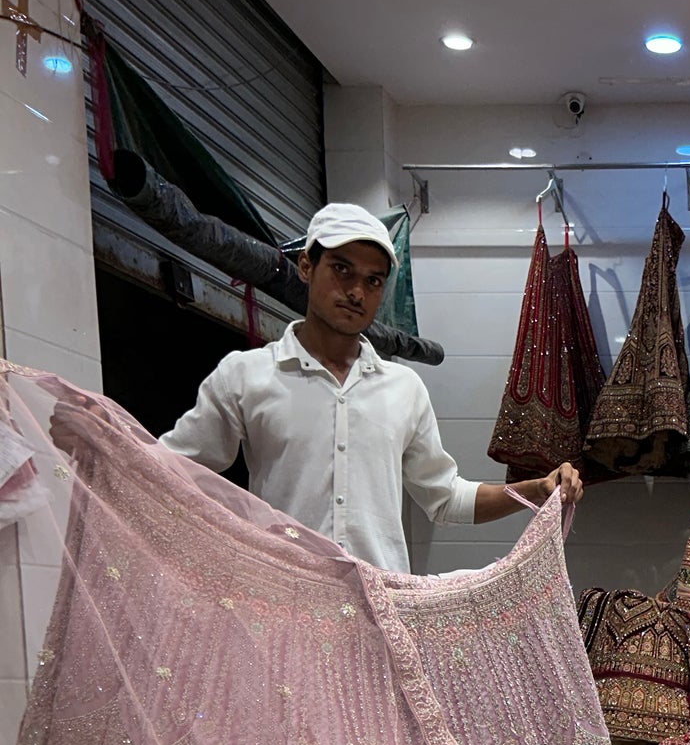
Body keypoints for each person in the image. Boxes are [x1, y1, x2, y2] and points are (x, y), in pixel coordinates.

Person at [160, 202, 583, 573]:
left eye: (373, 280)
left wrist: (535, 490)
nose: (356, 291)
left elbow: (445, 499)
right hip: (283, 611)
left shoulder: (404, 390)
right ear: (307, 267)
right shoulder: (245, 376)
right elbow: (169, 472)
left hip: (380, 614)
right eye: (341, 269)